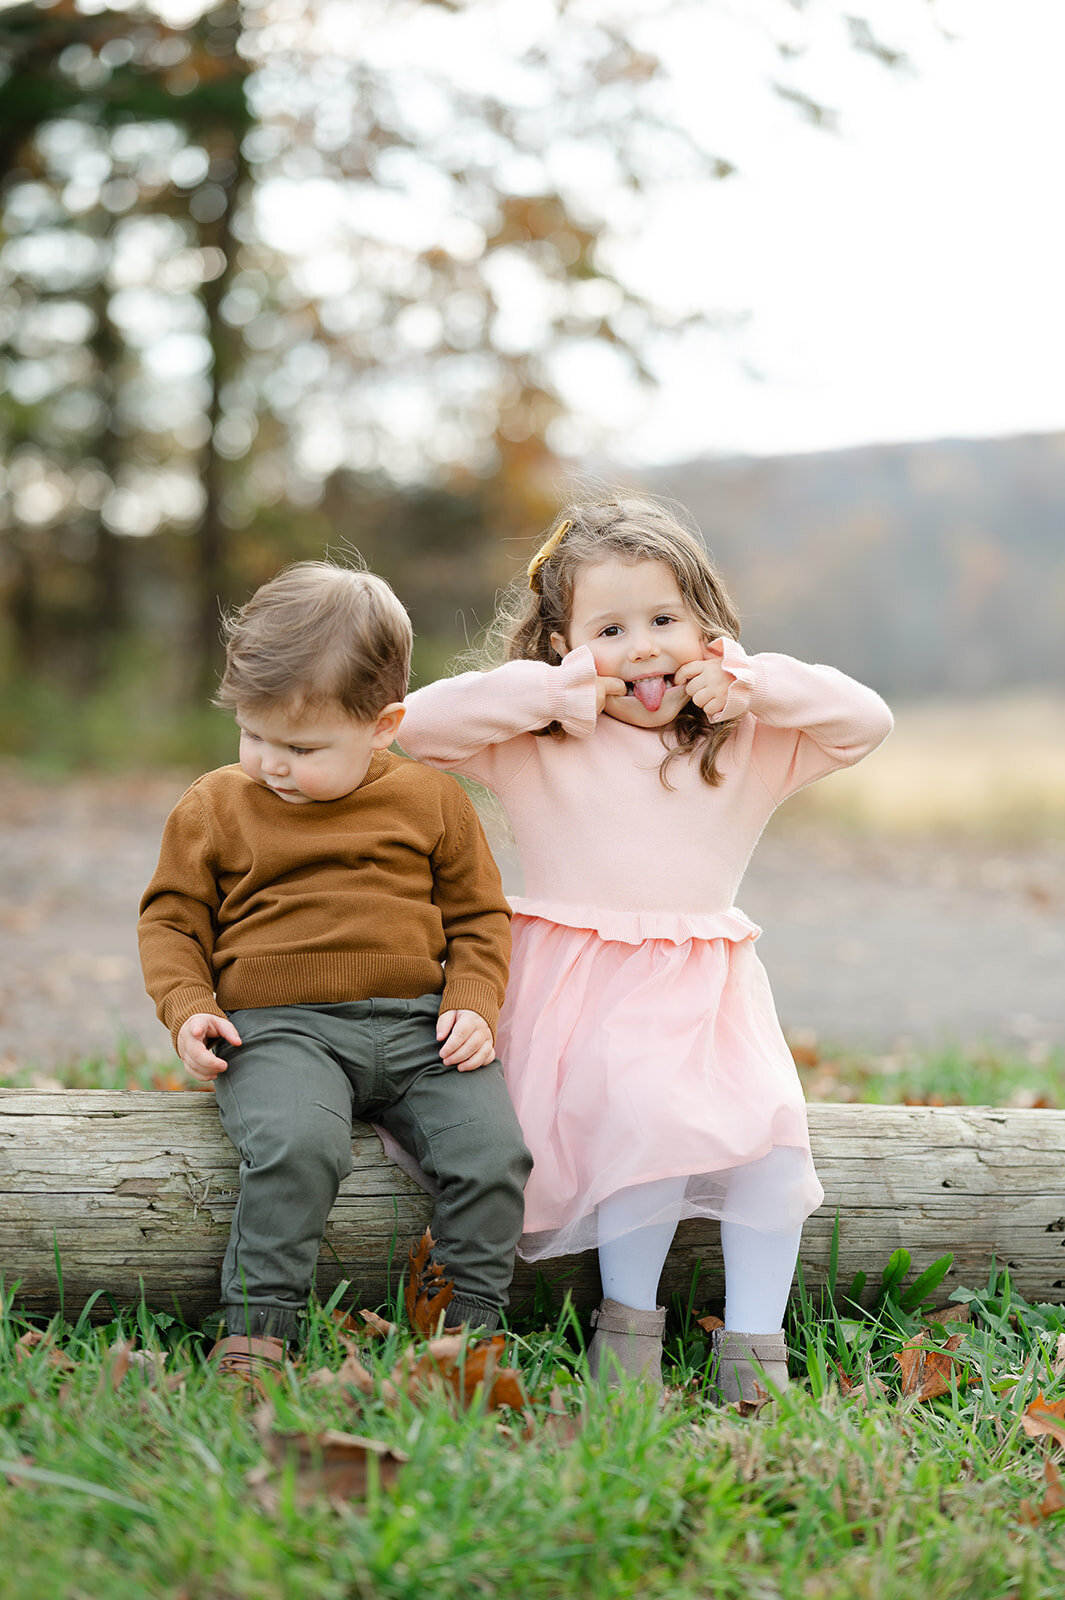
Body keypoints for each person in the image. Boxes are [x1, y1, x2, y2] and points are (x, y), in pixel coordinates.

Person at [399, 494, 893, 1399]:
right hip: (576, 998)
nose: (641, 648)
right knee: (643, 1143)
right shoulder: (537, 741)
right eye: (610, 628)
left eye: (664, 619)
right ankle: (626, 1337)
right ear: (563, 642)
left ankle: (754, 1352)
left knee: (776, 1166)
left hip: (707, 999)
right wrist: (553, 691)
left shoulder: (749, 742)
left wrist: (753, 684)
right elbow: (413, 725)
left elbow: (866, 721)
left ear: (707, 629)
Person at [138, 561, 531, 1381]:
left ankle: (467, 1342)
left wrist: (471, 999)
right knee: (297, 1145)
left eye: (302, 746)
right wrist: (188, 1006)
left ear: (383, 724)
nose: (270, 763)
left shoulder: (433, 801)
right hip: (282, 1032)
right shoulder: (216, 805)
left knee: (493, 1155)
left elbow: (478, 917)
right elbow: (172, 919)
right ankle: (257, 1330)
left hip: (423, 1030)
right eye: (253, 735)